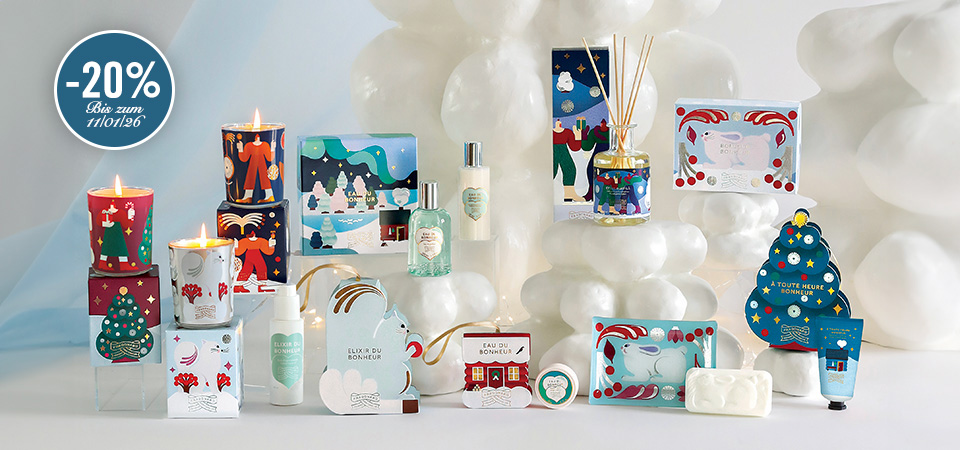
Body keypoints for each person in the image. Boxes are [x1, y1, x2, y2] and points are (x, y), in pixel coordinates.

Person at [236, 133, 275, 203]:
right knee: (250, 179)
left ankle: (269, 196)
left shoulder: (265, 145)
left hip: (262, 165)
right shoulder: (249, 145)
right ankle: (248, 197)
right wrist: (240, 149)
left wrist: (272, 148)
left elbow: (270, 158)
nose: (257, 136)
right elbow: (244, 158)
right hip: (252, 165)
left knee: (265, 179)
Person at [98, 201, 134, 270]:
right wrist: (104, 223)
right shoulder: (104, 212)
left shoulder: (121, 213)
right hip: (108, 233)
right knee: (106, 248)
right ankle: (102, 264)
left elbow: (127, 224)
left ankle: (124, 265)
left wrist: (130, 216)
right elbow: (98, 221)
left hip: (118, 234)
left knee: (121, 248)